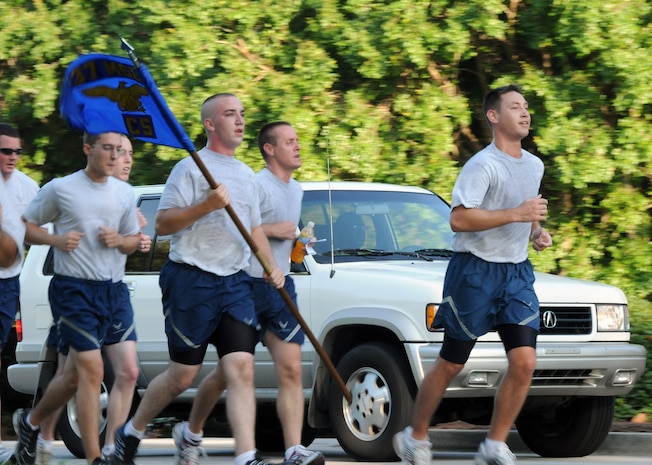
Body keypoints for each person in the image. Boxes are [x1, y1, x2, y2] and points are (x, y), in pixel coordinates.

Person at [110, 93, 285, 465]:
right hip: (191, 280)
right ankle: (131, 432)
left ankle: (246, 456)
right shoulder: (189, 168)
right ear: (210, 124)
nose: (239, 120)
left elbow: (254, 229)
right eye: (229, 114)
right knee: (182, 375)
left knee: (240, 367)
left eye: (241, 114)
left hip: (235, 282)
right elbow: (163, 224)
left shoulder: (247, 177)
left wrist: (269, 265)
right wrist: (206, 205)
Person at [392, 84, 553, 465]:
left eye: (526, 106)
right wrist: (517, 214)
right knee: (452, 362)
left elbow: (525, 215)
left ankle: (494, 445)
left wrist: (536, 232)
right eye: (515, 107)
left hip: (516, 274)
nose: (525, 112)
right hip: (474, 273)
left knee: (525, 361)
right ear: (494, 117)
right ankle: (415, 436)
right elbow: (459, 218)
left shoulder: (534, 165)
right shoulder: (482, 165)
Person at [169, 121, 324, 465]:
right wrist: (273, 230)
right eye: (289, 141)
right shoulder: (256, 183)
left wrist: (297, 244)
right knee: (228, 373)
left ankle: (294, 449)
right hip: (245, 284)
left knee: (292, 369)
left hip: (280, 284)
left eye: (297, 140)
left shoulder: (296, 190)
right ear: (269, 149)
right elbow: (240, 226)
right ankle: (191, 432)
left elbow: (278, 238)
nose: (297, 146)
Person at [12, 131, 141, 465]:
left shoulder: (125, 192)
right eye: (107, 149)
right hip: (74, 290)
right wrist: (56, 241)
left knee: (125, 372)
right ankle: (96, 457)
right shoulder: (61, 188)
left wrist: (119, 241)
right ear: (88, 148)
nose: (115, 156)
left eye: (119, 150)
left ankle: (34, 424)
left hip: (114, 292)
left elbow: (132, 240)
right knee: (91, 373)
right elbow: (26, 226)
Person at [0, 123, 39, 462]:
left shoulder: (27, 187)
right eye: (6, 151)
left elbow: (39, 228)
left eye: (17, 151)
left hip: (9, 281)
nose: (13, 156)